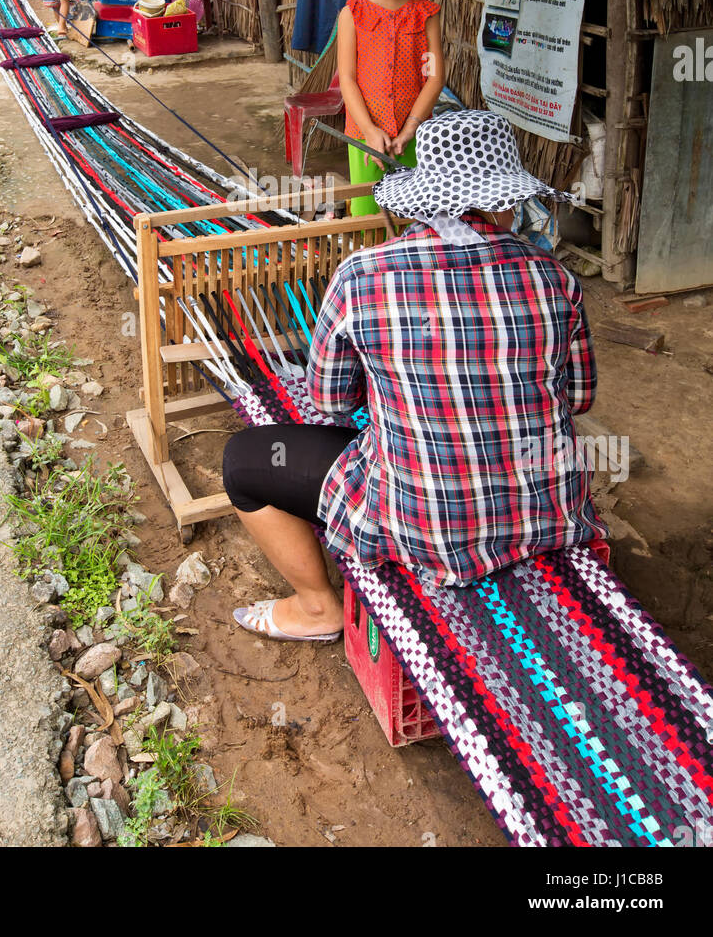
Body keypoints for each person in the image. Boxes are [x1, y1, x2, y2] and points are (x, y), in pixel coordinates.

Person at [222, 110, 606, 642]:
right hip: (546, 509)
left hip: (423, 524)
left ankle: (315, 609)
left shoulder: (363, 276)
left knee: (242, 462)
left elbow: (329, 403)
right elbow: (579, 399)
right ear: (507, 200)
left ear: (423, 195)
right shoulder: (553, 277)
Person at [337, 0, 445, 217]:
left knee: (412, 216)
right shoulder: (352, 15)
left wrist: (411, 127)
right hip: (364, 135)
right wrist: (371, 131)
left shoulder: (426, 15)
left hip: (415, 136)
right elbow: (347, 78)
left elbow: (434, 77)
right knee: (367, 216)